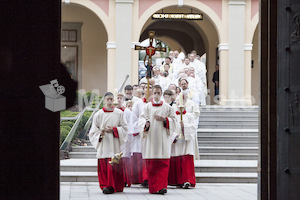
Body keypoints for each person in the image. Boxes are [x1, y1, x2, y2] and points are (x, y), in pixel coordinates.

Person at [139, 85, 177, 194]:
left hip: (163, 139)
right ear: (152, 93)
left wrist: (165, 120)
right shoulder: (147, 107)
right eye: (154, 92)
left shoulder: (167, 107)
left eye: (158, 93)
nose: (156, 95)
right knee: (151, 166)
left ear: (161, 94)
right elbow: (141, 120)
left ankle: (162, 187)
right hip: (151, 139)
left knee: (163, 164)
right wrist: (145, 124)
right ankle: (154, 187)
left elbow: (174, 121)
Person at [88, 92, 128, 194]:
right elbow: (93, 131)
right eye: (108, 99)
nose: (110, 101)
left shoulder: (119, 113)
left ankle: (116, 186)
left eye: (111, 99)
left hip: (114, 143)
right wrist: (100, 134)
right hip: (104, 143)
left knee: (114, 164)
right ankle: (106, 186)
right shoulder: (98, 114)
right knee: (104, 166)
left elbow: (125, 128)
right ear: (104, 100)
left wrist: (114, 130)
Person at [169, 92, 197, 188]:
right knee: (176, 159)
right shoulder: (173, 117)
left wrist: (184, 127)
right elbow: (170, 128)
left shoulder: (189, 116)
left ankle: (186, 180)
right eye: (177, 103)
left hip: (186, 142)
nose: (179, 105)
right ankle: (176, 180)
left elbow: (193, 127)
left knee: (185, 160)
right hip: (176, 141)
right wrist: (174, 136)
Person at [116, 93, 132, 187]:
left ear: (123, 100)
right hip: (115, 136)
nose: (119, 100)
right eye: (117, 98)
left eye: (121, 98)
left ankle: (125, 179)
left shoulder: (127, 111)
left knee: (124, 158)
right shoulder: (112, 111)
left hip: (124, 137)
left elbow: (129, 124)